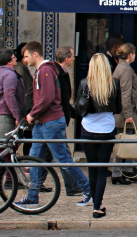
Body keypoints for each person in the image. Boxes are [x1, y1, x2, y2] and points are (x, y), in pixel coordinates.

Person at [16, 41, 92, 208]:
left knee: (62, 159)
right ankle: (32, 195)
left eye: (26, 56)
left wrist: (32, 114)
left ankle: (88, 190)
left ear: (35, 54)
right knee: (35, 160)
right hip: (42, 123)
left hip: (50, 122)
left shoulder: (45, 70)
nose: (25, 59)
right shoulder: (42, 70)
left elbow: (47, 97)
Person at [77, 53, 122, 219]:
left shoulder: (85, 83)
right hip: (106, 129)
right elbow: (118, 108)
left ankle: (93, 202)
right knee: (102, 170)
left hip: (88, 129)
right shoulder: (114, 83)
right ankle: (97, 206)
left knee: (92, 168)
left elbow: (80, 108)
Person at [112, 43, 137, 184]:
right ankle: (118, 172)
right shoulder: (126, 69)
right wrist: (128, 114)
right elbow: (125, 93)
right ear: (130, 54)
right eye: (134, 53)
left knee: (127, 140)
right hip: (125, 111)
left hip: (123, 110)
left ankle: (128, 170)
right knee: (127, 140)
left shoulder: (120, 67)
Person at [54, 46, 81, 196]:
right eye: (72, 56)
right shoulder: (57, 73)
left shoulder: (61, 72)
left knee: (43, 155)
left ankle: (35, 186)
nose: (74, 59)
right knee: (63, 154)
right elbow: (59, 99)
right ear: (66, 59)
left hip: (58, 118)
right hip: (55, 120)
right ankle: (73, 186)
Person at [0, 47, 24, 137]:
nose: (16, 58)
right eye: (13, 57)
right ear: (9, 62)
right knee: (3, 148)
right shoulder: (9, 75)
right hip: (3, 117)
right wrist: (17, 116)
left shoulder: (0, 73)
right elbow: (9, 96)